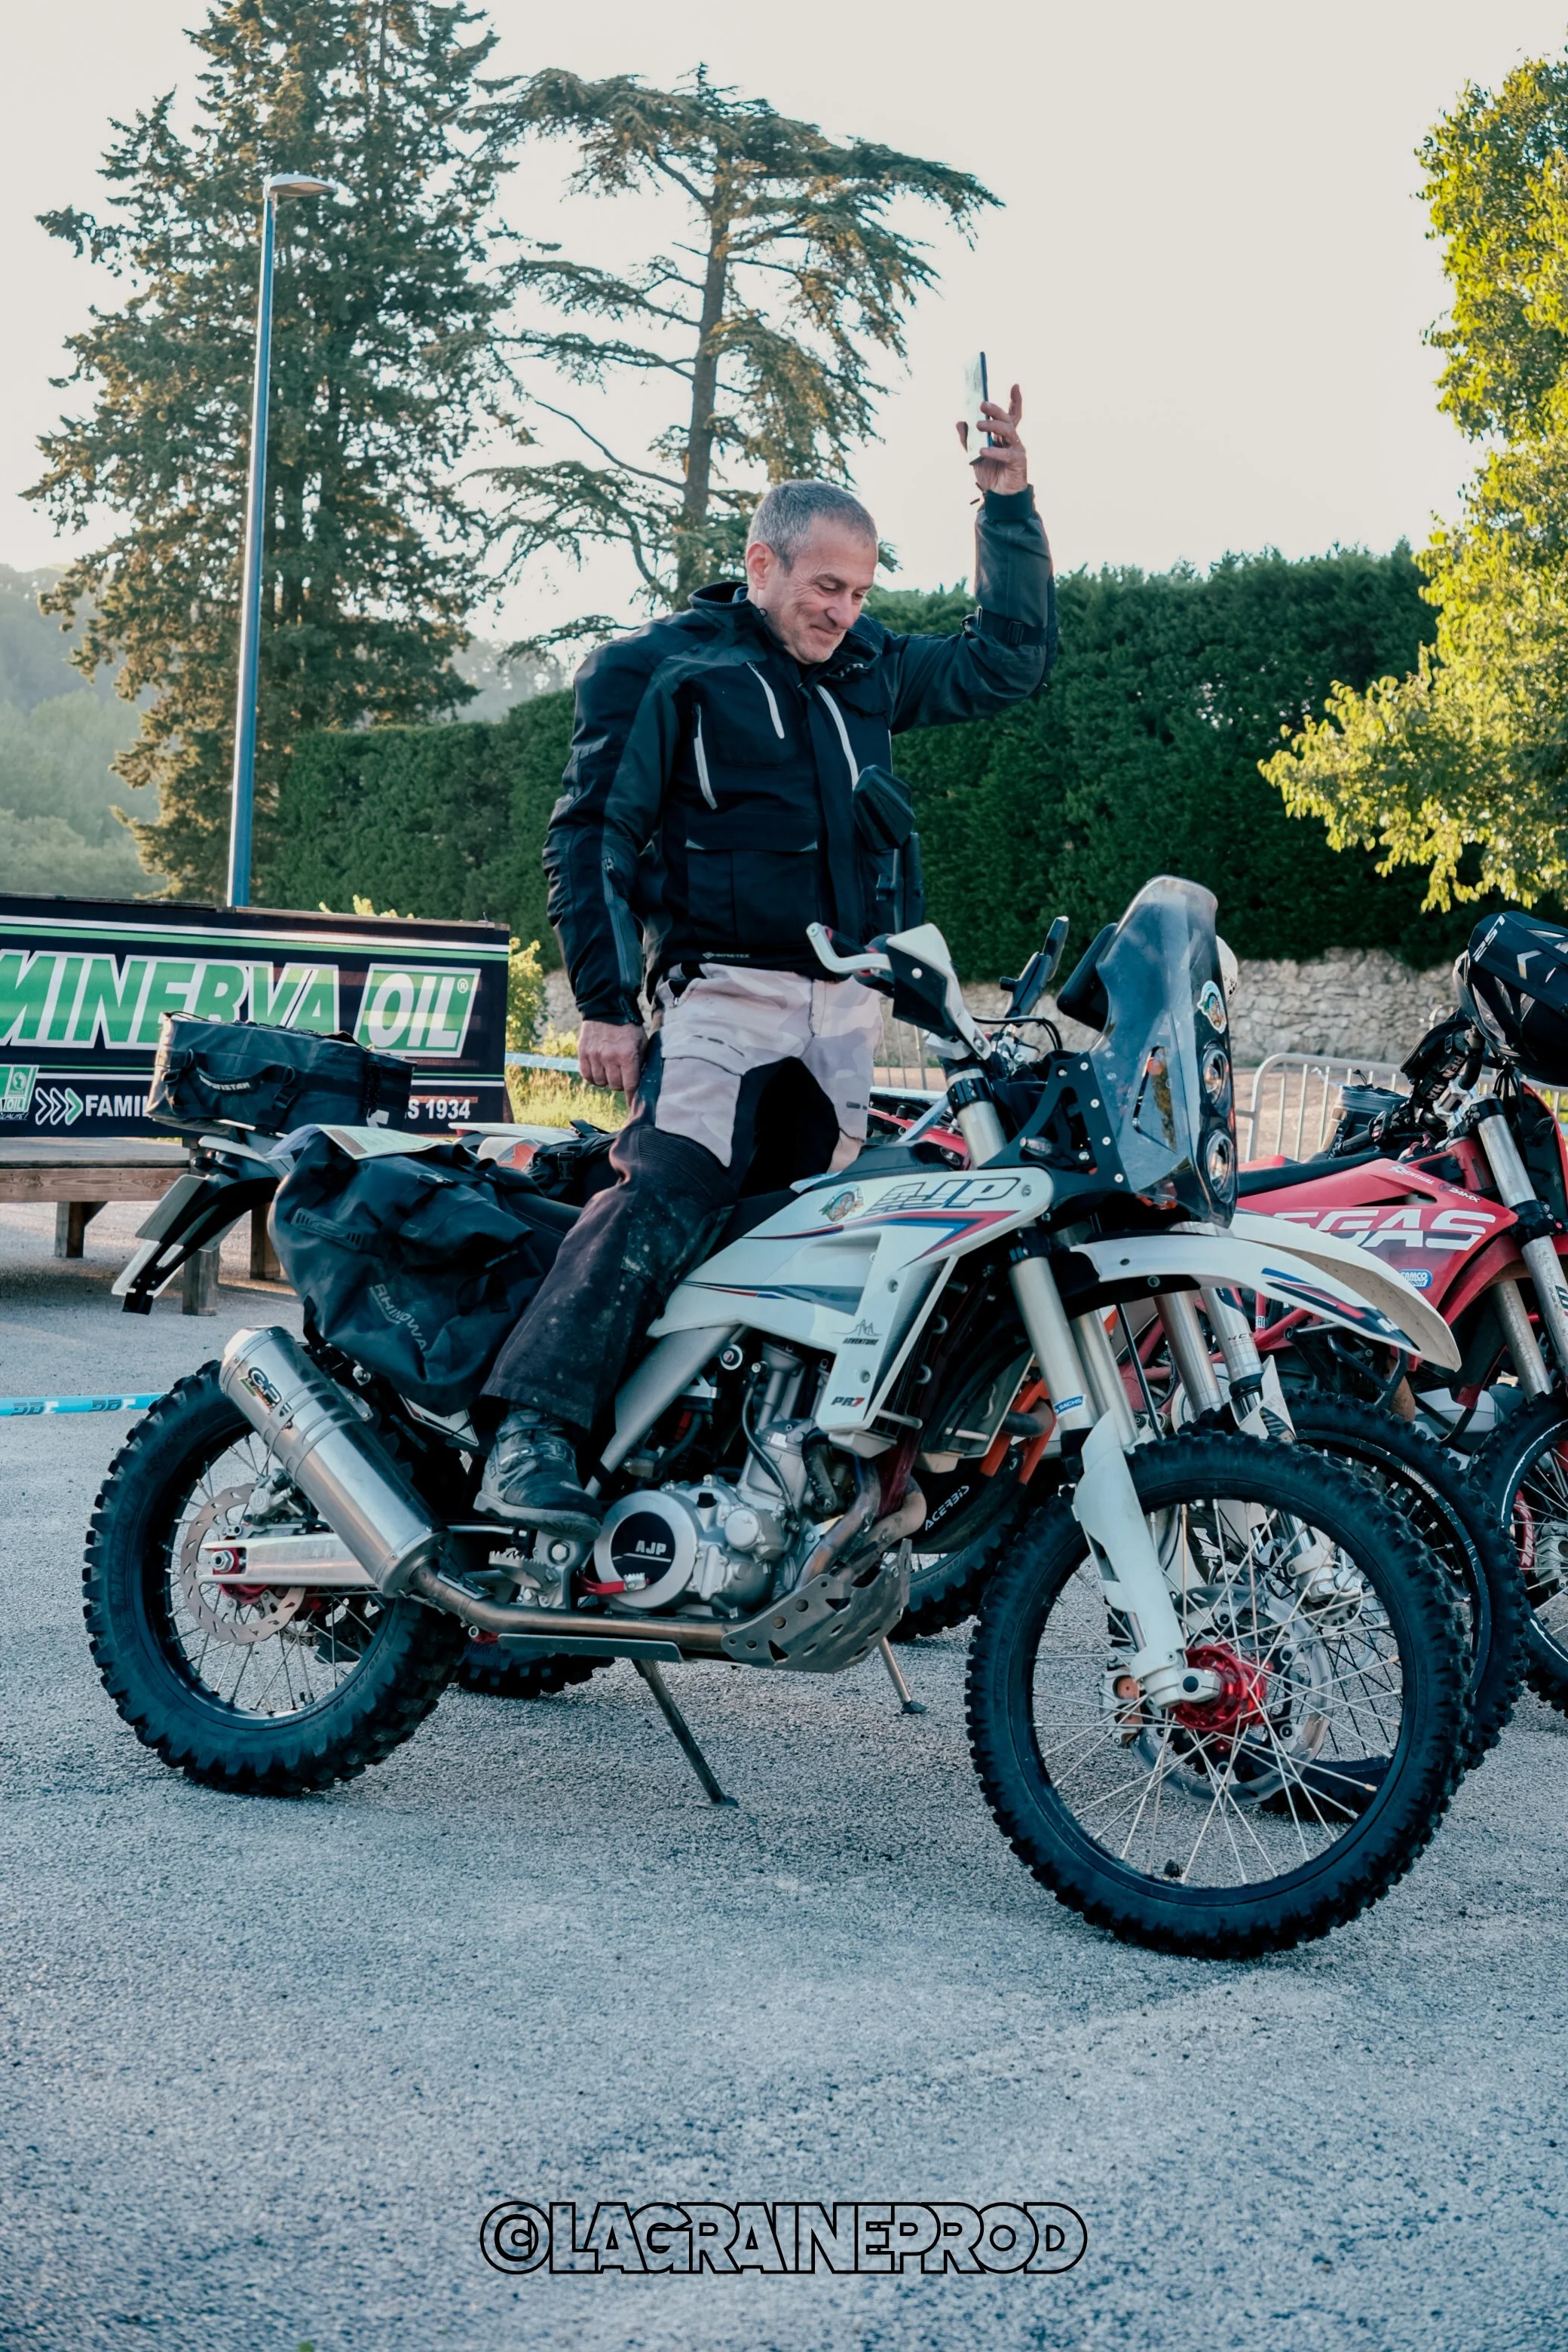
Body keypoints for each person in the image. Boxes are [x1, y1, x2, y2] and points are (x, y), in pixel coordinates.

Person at [476, 387, 1057, 1530]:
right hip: (721, 1002)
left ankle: (747, 1472)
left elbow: (1007, 665)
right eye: (826, 586)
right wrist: (603, 1000)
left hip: (847, 1011)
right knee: (669, 1189)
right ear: (763, 562)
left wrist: (1007, 508)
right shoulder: (666, 668)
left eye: (859, 592)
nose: (844, 611)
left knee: (822, 1238)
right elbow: (593, 832)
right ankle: (530, 1435)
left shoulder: (869, 669)